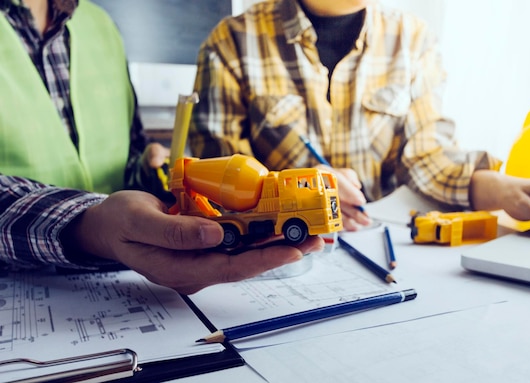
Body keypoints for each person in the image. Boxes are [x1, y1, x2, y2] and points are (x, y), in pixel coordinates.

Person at [188, 0, 530, 243]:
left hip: (379, 245)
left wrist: (510, 189)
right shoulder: (232, 41)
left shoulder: (412, 39)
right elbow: (214, 176)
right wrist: (293, 186)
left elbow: (428, 157)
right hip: (278, 253)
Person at [0, 0, 324, 294]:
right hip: (17, 291)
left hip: (121, 285)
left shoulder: (98, 25)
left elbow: (124, 156)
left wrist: (146, 169)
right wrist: (90, 225)